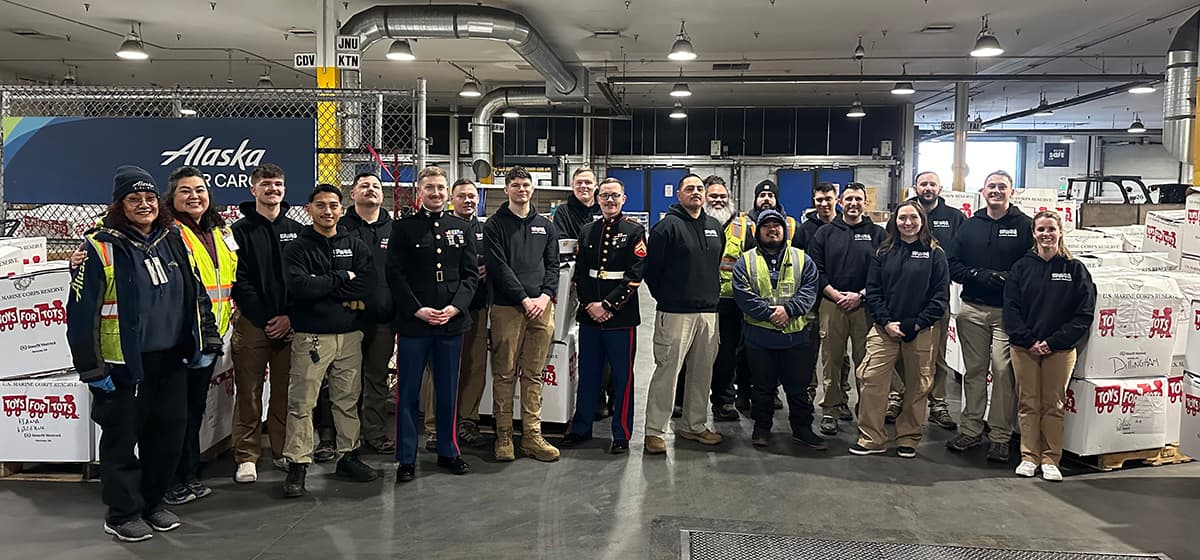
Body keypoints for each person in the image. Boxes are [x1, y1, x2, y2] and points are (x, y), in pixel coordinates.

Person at [67, 165, 221, 542]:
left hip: (171, 361)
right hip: (121, 366)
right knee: (121, 442)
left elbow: (196, 294)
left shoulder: (174, 240)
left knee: (167, 437)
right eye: (134, 199)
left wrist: (207, 342)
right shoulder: (99, 248)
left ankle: (153, 503)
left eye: (150, 198)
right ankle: (122, 514)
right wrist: (91, 368)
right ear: (120, 205)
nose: (144, 204)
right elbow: (79, 314)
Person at [280, 184, 379, 498]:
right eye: (320, 205)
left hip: (349, 336)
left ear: (341, 208)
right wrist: (340, 278)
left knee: (347, 400)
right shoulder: (297, 248)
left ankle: (348, 456)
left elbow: (366, 285)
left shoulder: (356, 244)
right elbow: (300, 288)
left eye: (333, 205)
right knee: (302, 403)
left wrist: (323, 285)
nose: (328, 211)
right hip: (311, 337)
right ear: (309, 209)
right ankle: (298, 463)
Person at [390, 166, 479, 482]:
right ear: (420, 193)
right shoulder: (403, 228)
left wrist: (456, 307)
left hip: (451, 324)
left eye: (441, 188)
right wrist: (417, 309)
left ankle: (448, 450)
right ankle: (406, 458)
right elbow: (396, 276)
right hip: (415, 324)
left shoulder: (462, 227)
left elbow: (471, 275)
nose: (437, 193)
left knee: (448, 390)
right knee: (408, 393)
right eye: (430, 188)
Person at [160, 167, 237, 506]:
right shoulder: (166, 231)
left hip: (210, 337)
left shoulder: (218, 230)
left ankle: (188, 473)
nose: (194, 196)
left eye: (200, 189)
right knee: (174, 414)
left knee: (193, 412)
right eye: (185, 191)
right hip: (180, 337)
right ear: (172, 198)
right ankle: (170, 480)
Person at [945, 170, 1033, 463]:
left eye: (1002, 187)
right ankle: (971, 428)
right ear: (983, 191)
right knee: (974, 372)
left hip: (1007, 313)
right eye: (991, 186)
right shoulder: (970, 226)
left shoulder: (1025, 226)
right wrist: (979, 276)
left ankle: (1000, 436)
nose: (996, 191)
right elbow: (953, 264)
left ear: (1012, 192)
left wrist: (1008, 279)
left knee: (1004, 371)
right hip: (971, 309)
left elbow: (1032, 266)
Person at [850, 201, 949, 458]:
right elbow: (873, 290)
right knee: (871, 379)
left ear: (922, 221)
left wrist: (917, 323)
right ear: (894, 221)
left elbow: (940, 297)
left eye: (913, 218)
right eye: (902, 218)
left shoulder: (934, 253)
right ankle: (872, 437)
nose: (907, 223)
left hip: (921, 330)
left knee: (918, 386)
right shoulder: (883, 252)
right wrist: (885, 322)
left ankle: (908, 437)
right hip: (885, 329)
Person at [1004, 210, 1096, 482]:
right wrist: (1029, 340)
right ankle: (1029, 457)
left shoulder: (1074, 268)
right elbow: (1011, 309)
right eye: (1041, 229)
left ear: (1060, 232)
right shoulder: (1021, 268)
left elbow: (1084, 313)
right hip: (1024, 348)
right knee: (1028, 402)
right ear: (1033, 233)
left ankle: (1050, 458)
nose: (1046, 234)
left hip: (1060, 349)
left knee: (1053, 404)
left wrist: (1053, 342)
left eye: (1051, 229)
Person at [229, 163, 303, 483]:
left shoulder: (298, 231)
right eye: (267, 184)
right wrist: (264, 317)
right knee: (248, 390)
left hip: (290, 325)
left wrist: (290, 318)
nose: (273, 189)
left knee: (286, 392)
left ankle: (282, 450)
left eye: (278, 184)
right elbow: (238, 280)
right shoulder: (237, 232)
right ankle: (247, 455)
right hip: (252, 323)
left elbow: (303, 280)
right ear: (253, 189)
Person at [561, 177, 645, 454]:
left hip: (620, 319)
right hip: (589, 316)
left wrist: (607, 307)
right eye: (605, 196)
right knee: (588, 375)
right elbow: (580, 275)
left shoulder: (634, 231)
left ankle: (621, 433)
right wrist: (589, 305)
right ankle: (581, 428)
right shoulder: (587, 231)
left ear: (624, 199)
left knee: (622, 377)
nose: (610, 201)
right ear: (597, 199)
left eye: (615, 196)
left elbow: (634, 277)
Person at [642, 173, 725, 454]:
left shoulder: (714, 226)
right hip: (676, 312)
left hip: (709, 314)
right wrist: (667, 297)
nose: (696, 192)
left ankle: (695, 425)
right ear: (679, 194)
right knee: (668, 371)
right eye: (690, 188)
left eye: (700, 188)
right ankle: (655, 430)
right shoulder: (666, 227)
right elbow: (651, 270)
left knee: (702, 373)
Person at [484, 166, 562, 462]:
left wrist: (543, 297)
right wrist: (523, 298)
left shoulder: (546, 225)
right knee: (504, 374)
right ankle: (503, 435)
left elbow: (553, 265)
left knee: (534, 374)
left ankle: (532, 435)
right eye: (515, 185)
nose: (521, 189)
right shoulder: (494, 225)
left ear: (532, 189)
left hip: (542, 308)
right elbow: (498, 267)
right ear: (506, 190)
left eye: (525, 184)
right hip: (507, 308)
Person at [731, 209, 826, 449]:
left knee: (798, 388)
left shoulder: (802, 259)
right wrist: (770, 314)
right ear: (758, 231)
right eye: (766, 226)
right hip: (760, 338)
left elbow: (809, 291)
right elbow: (743, 294)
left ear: (784, 231)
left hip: (795, 338)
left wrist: (789, 310)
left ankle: (802, 429)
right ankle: (761, 427)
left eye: (777, 225)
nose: (772, 229)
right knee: (762, 388)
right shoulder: (746, 260)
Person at [886, 171, 964, 431]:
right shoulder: (901, 214)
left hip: (936, 298)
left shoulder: (955, 218)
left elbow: (962, 255)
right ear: (915, 187)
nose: (928, 188)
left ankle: (938, 403)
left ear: (940, 188)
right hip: (902, 298)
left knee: (937, 354)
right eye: (923, 184)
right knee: (897, 352)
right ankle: (897, 395)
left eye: (932, 183)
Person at [809, 182, 885, 436]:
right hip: (831, 305)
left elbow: (882, 272)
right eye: (849, 199)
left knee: (866, 361)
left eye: (858, 199)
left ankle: (867, 412)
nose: (854, 203)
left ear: (866, 203)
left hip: (865, 306)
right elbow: (815, 270)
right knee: (831, 360)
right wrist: (833, 293)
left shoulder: (878, 234)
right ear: (841, 201)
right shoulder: (826, 233)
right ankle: (830, 410)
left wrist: (860, 296)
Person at [422, 178, 492, 448]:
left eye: (472, 196)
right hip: (443, 310)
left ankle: (467, 422)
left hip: (475, 307)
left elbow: (497, 260)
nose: (468, 200)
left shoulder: (486, 230)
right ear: (452, 199)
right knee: (439, 368)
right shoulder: (441, 227)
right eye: (462, 196)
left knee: (475, 365)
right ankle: (434, 428)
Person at [339, 171, 397, 455]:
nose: (370, 190)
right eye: (364, 186)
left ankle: (374, 433)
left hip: (383, 319)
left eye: (375, 186)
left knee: (376, 378)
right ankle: (337, 437)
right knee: (342, 380)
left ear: (382, 195)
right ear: (353, 194)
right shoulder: (340, 227)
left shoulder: (394, 229)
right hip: (347, 318)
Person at [793, 182, 852, 416]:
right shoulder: (804, 229)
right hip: (810, 301)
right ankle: (808, 392)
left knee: (839, 353)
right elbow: (795, 264)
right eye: (819, 200)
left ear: (836, 199)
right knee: (808, 350)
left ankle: (841, 396)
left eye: (828, 199)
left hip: (837, 300)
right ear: (814, 201)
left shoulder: (845, 228)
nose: (824, 203)